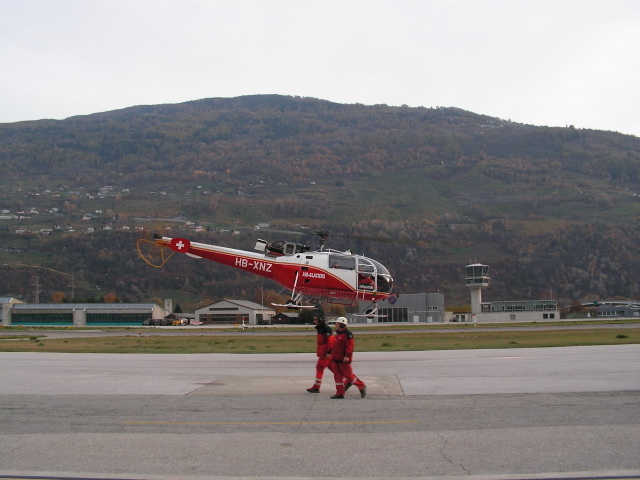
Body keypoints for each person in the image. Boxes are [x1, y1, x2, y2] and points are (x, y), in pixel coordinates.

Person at [330, 317, 366, 399]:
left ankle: (361, 385)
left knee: (349, 376)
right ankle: (340, 393)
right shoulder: (338, 334)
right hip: (336, 360)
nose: (335, 325)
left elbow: (349, 346)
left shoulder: (347, 334)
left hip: (343, 360)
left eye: (337, 323)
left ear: (341, 324)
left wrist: (347, 356)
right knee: (337, 377)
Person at [306, 312, 335, 393]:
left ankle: (316, 387)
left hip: (325, 354)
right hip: (325, 352)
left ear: (320, 320)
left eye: (315, 319)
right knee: (334, 369)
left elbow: (331, 341)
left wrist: (329, 352)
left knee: (319, 367)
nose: (314, 321)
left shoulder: (325, 329)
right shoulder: (320, 328)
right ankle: (346, 381)